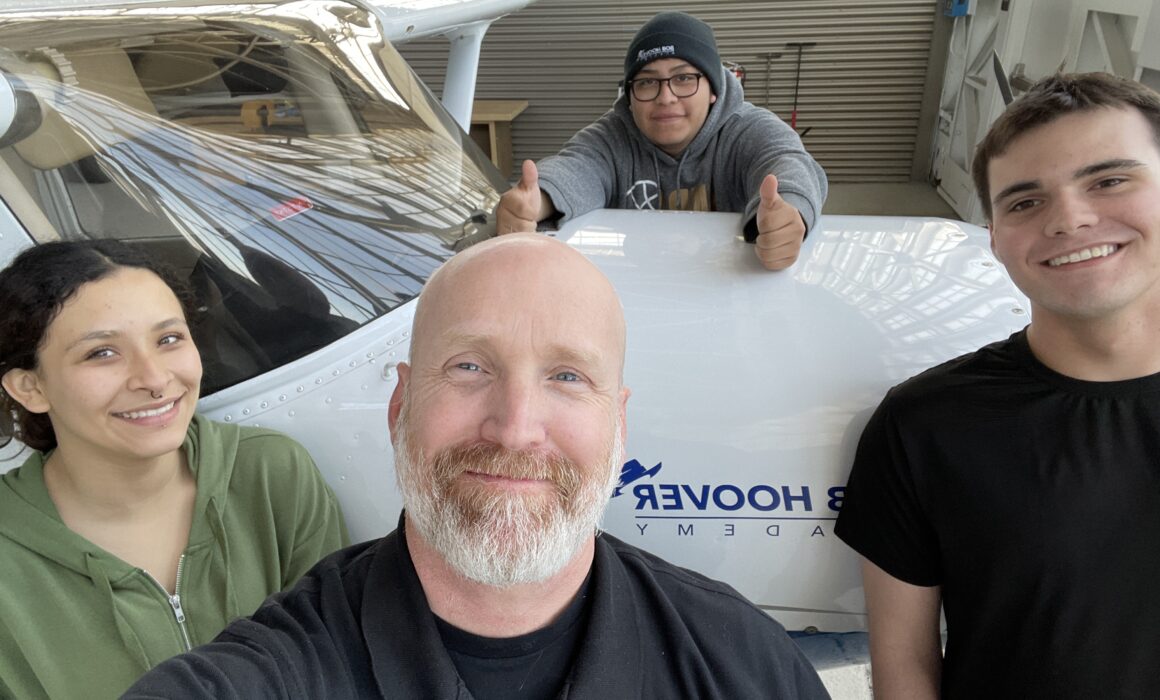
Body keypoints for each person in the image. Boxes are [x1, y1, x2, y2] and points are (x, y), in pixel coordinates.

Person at [123, 234, 829, 699]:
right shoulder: (280, 670)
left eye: (567, 377)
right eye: (468, 367)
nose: (515, 429)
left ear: (619, 424)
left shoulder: (745, 666)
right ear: (401, 405)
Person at [835, 72, 1160, 698]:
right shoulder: (926, 425)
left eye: (1109, 180)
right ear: (994, 238)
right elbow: (905, 667)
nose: (1069, 219)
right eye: (1024, 202)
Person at [0, 241, 349, 699]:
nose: (154, 378)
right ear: (31, 387)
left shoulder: (270, 473)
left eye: (168, 339)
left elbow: (342, 657)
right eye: (102, 353)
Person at [494, 11, 828, 271]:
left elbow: (788, 161)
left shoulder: (747, 130)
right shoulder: (613, 137)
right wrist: (538, 201)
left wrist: (790, 215)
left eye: (684, 78)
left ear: (713, 89)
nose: (666, 97)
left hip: (733, 289)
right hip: (637, 290)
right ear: (630, 94)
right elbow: (578, 166)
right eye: (647, 82)